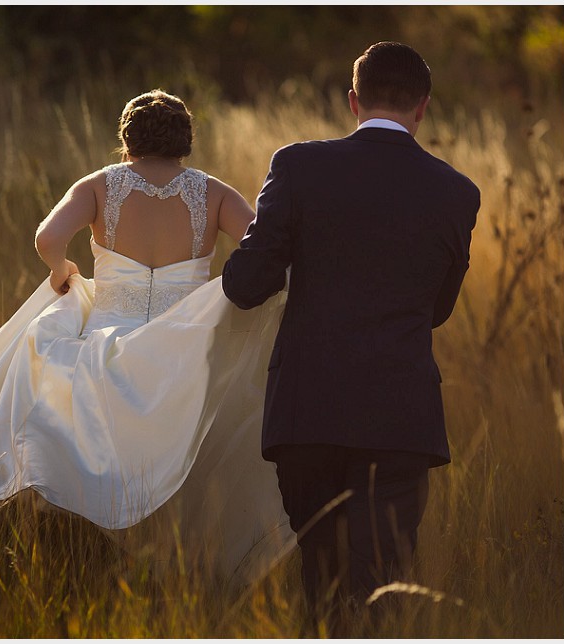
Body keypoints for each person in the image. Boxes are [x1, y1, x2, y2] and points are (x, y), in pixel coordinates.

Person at [0, 89, 294, 583]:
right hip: (186, 348)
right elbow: (264, 251)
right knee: (182, 451)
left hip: (106, 344)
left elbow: (47, 240)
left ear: (126, 139)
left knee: (63, 382)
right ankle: (170, 566)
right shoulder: (214, 193)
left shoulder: (98, 186)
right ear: (186, 141)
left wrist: (62, 269)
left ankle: (81, 557)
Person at [222, 42, 480, 620]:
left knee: (322, 581)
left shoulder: (298, 166)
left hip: (308, 412)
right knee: (380, 591)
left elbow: (244, 286)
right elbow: (437, 309)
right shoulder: (458, 193)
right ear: (424, 107)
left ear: (352, 102)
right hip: (400, 418)